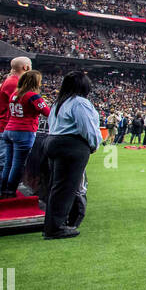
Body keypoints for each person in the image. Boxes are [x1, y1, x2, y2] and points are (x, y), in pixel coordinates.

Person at [43, 71, 100, 240]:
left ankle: (52, 224)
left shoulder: (59, 102)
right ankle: (56, 227)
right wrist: (94, 144)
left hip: (54, 141)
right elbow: (87, 128)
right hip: (71, 146)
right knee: (66, 187)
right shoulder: (80, 103)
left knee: (57, 186)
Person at [0, 70, 49, 198]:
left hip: (9, 129)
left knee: (8, 163)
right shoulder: (33, 96)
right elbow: (47, 112)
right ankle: (10, 191)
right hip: (24, 131)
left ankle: (4, 189)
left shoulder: (14, 94)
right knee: (18, 164)